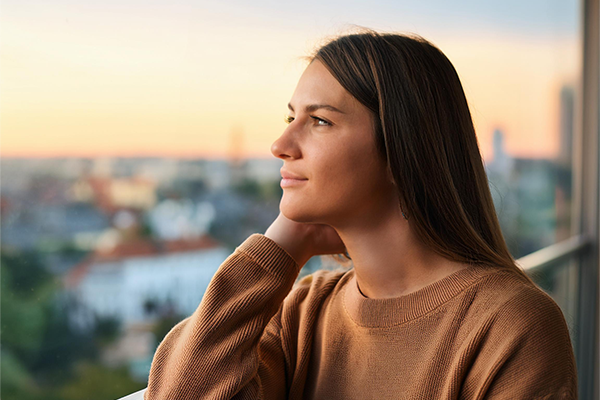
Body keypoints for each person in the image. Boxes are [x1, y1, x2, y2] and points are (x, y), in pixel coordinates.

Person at [144, 29, 577, 399]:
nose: (280, 144)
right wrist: (281, 246)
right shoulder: (302, 311)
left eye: (320, 122)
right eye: (291, 116)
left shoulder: (510, 326)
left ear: (402, 151)